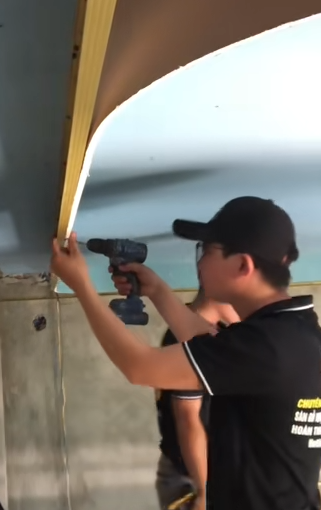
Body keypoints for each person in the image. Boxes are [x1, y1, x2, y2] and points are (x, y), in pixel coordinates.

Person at [50, 196, 321, 510]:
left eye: (206, 251)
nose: (200, 263)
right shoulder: (293, 332)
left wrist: (82, 285)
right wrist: (157, 290)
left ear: (242, 265)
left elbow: (139, 367)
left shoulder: (267, 345)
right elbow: (214, 346)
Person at [155, 288, 239, 510]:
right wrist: (203, 493)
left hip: (217, 472)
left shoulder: (220, 333)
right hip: (193, 475)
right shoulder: (185, 340)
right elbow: (188, 419)